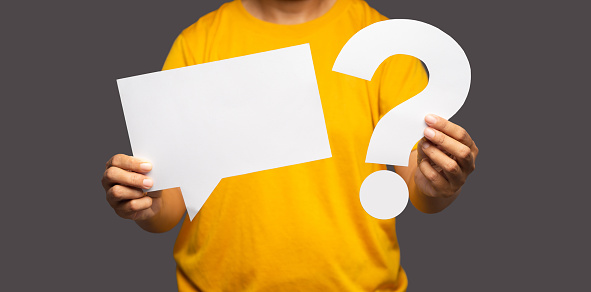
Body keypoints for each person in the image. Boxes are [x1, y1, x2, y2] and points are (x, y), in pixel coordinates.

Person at [101, 0, 479, 290]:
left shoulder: (379, 42)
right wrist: (145, 202)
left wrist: (440, 182)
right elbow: (168, 209)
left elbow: (421, 190)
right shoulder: (198, 43)